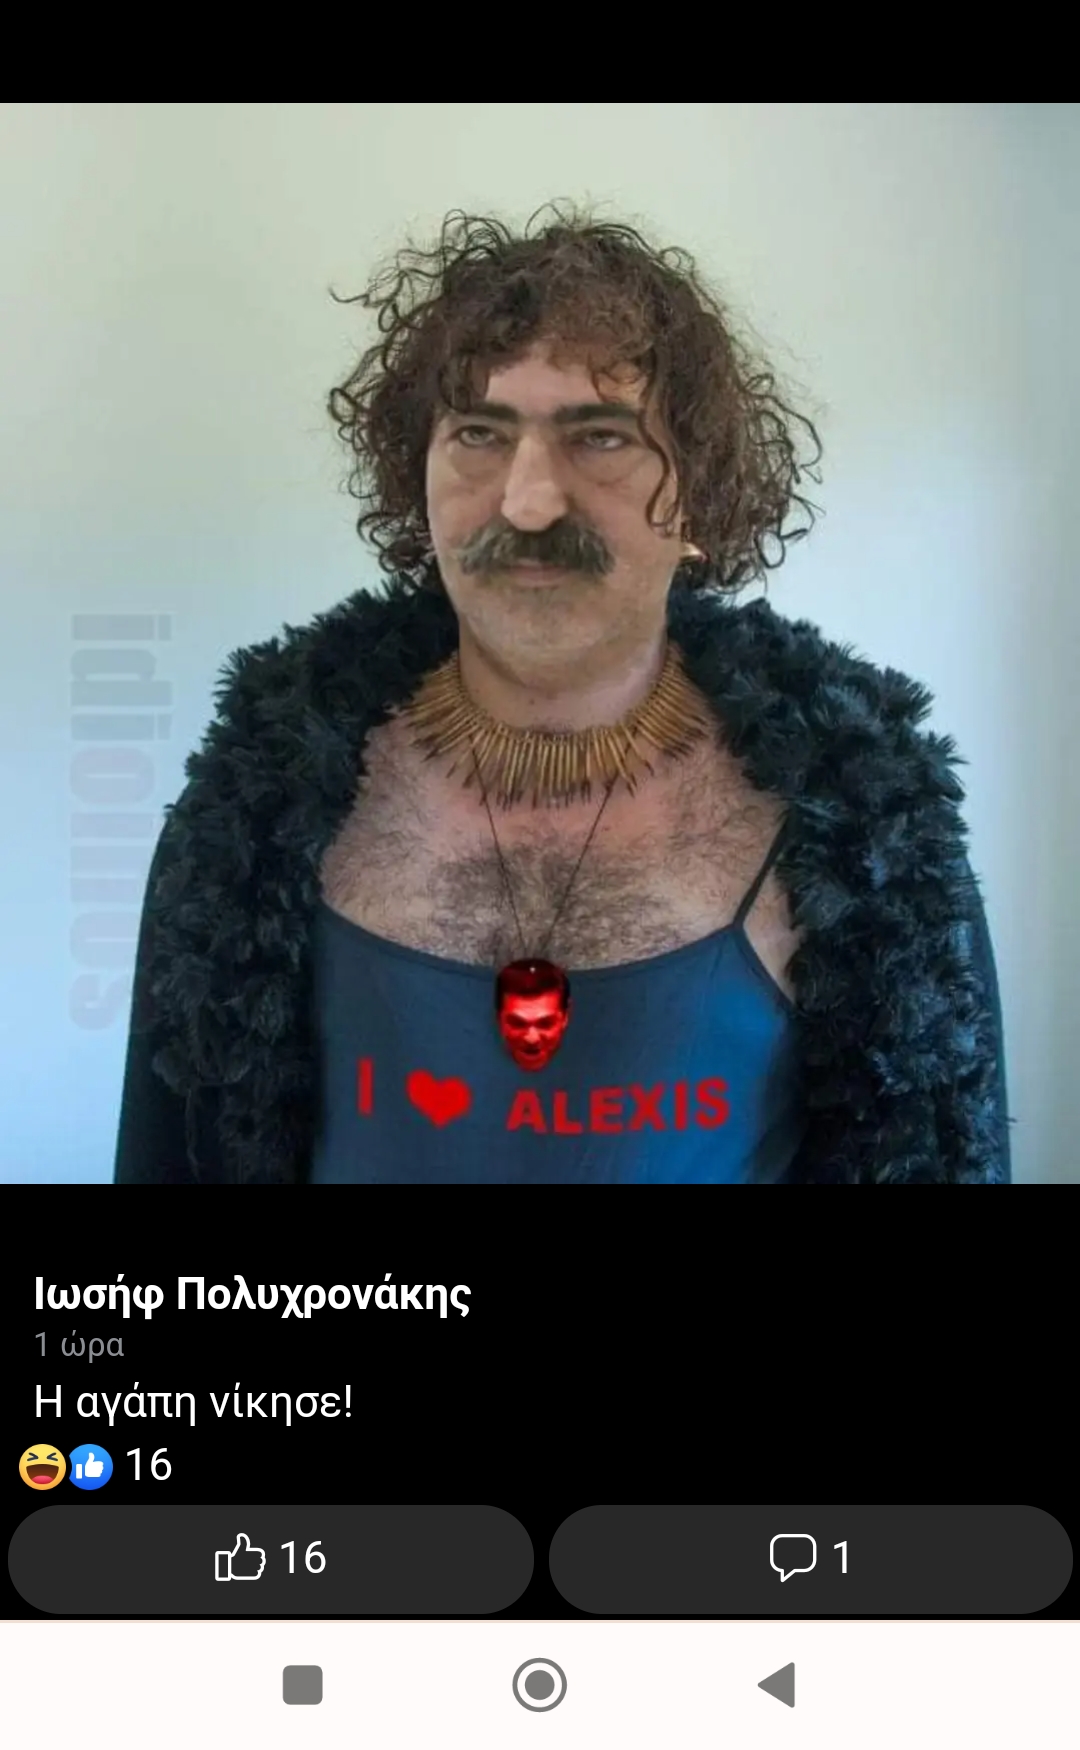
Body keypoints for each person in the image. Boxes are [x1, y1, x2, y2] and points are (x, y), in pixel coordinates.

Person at [114, 202, 1011, 1183]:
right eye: (478, 432)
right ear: (417, 474)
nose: (529, 501)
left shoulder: (865, 827)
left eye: (601, 437)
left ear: (700, 488)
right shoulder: (255, 808)